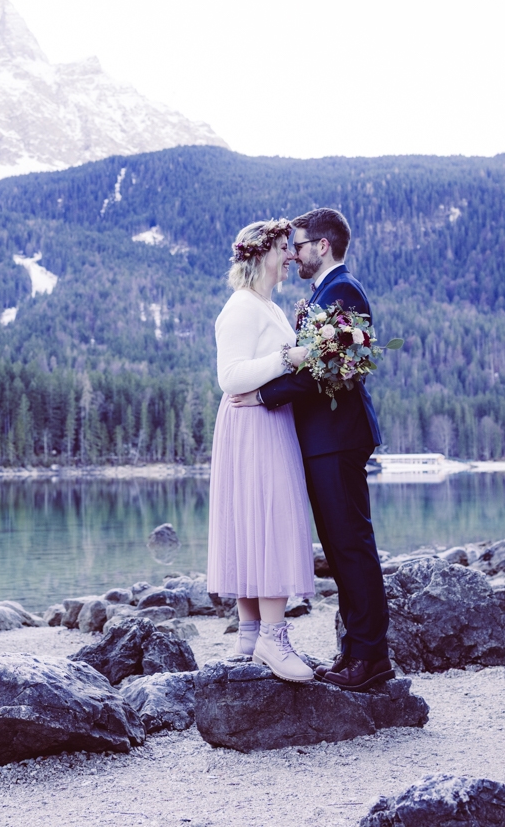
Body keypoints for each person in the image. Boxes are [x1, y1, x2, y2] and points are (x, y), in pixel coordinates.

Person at [231, 207, 391, 692]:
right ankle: (354, 652)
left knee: (352, 547)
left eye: (298, 245)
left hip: (338, 438)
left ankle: (371, 657)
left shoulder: (341, 290)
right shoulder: (324, 294)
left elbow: (322, 369)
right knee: (342, 550)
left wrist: (263, 395)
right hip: (324, 441)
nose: (292, 254)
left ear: (322, 246)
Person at [207, 218, 319, 682]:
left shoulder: (268, 307)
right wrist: (285, 359)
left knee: (259, 520)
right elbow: (230, 378)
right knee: (263, 520)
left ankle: (252, 636)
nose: (290, 255)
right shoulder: (241, 308)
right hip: (251, 424)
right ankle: (269, 638)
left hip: (268, 422)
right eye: (282, 248)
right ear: (260, 256)